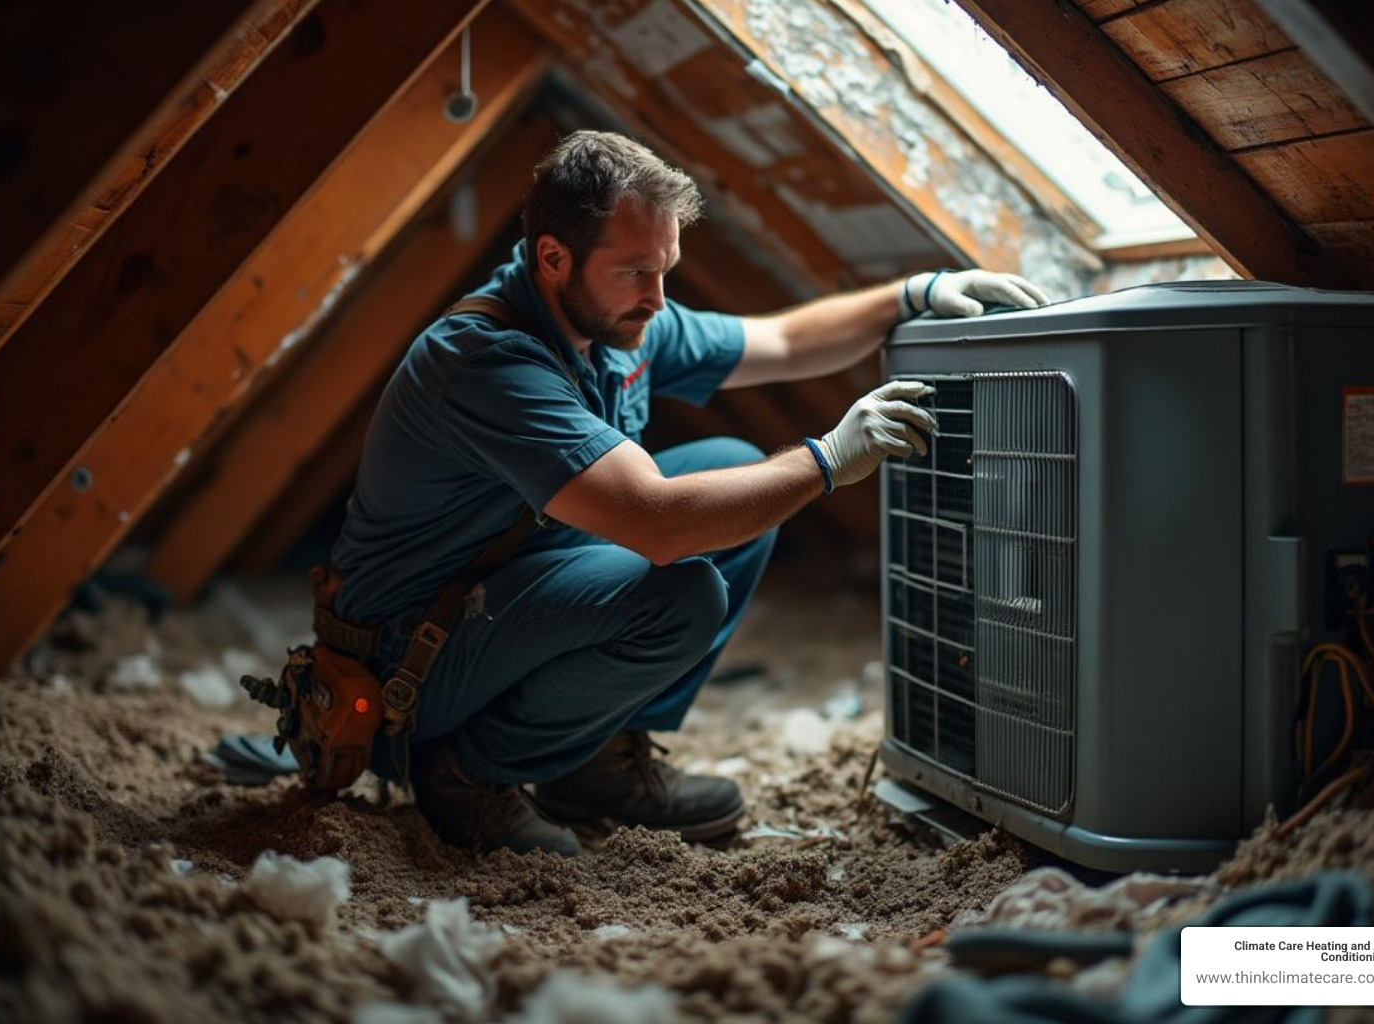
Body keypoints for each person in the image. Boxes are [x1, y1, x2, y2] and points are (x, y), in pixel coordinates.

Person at [328, 130, 1049, 856]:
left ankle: (592, 763)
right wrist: (828, 458)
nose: (657, 299)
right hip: (410, 665)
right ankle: (464, 773)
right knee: (682, 590)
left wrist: (912, 293)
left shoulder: (612, 319)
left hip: (494, 597)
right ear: (553, 258)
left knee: (733, 465)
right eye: (636, 272)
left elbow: (785, 343)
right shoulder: (486, 362)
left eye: (666, 268)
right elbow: (657, 524)